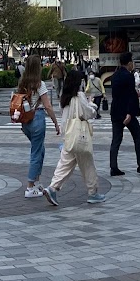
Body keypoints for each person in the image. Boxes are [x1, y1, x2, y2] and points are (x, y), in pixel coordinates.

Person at [42, 70, 106, 206]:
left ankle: (52, 188)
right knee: (88, 165)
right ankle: (93, 193)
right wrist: (93, 105)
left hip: (69, 137)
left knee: (64, 164)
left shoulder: (64, 97)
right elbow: (89, 113)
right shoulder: (80, 96)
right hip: (81, 137)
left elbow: (65, 118)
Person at [16, 54, 61, 197]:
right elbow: (47, 106)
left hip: (25, 122)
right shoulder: (39, 84)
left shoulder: (22, 83)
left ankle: (36, 182)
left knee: (40, 149)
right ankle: (30, 187)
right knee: (36, 152)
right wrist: (56, 123)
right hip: (37, 119)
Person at [109, 51, 140, 177]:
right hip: (126, 112)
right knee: (138, 136)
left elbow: (119, 94)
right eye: (132, 62)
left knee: (116, 140)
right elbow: (129, 96)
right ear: (129, 63)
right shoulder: (128, 76)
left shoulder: (115, 75)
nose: (133, 64)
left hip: (115, 111)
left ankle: (113, 167)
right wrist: (129, 113)